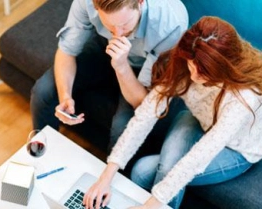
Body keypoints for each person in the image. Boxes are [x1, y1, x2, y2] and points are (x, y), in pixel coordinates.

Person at [83, 16, 262, 209]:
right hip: (200, 120)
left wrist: (149, 206)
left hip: (236, 147)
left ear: (222, 68)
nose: (194, 77)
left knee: (142, 171)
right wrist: (106, 176)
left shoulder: (244, 98)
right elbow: (145, 116)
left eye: (203, 73)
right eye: (191, 67)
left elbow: (201, 155)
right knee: (141, 170)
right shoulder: (187, 59)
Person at [30, 0, 188, 150]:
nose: (118, 34)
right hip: (105, 47)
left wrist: (121, 66)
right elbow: (67, 51)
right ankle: (42, 153)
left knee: (123, 129)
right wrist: (65, 97)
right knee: (43, 90)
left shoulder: (170, 25)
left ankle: (112, 178)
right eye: (110, 25)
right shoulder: (88, 3)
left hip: (143, 66)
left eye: (124, 24)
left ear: (140, 2)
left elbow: (143, 103)